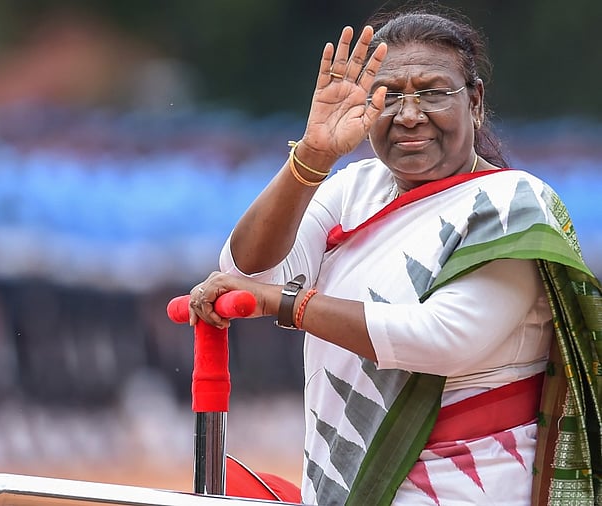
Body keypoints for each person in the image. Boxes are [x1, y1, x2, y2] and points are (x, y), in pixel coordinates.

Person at [186, 8, 601, 506]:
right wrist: (314, 156)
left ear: (475, 101)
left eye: (431, 92)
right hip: (342, 487)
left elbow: (445, 338)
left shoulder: (514, 203)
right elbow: (246, 273)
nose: (408, 114)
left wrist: (287, 304)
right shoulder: (352, 188)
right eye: (389, 95)